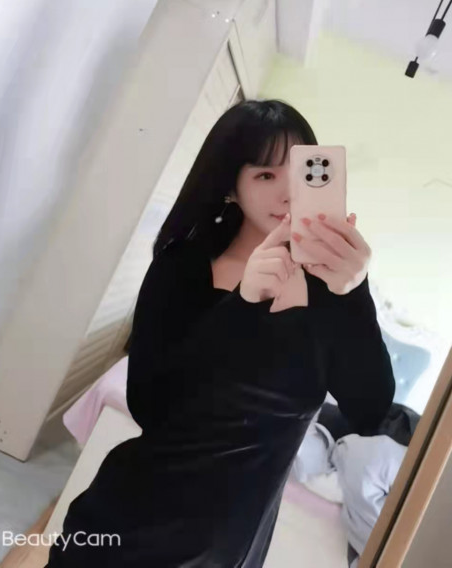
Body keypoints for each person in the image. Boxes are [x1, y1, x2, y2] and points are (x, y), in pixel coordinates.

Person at [45, 99, 395, 567]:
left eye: (298, 171)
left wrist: (354, 293)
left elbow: (370, 409)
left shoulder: (329, 292)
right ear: (231, 185)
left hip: (229, 545)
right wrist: (243, 304)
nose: (288, 193)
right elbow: (152, 406)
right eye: (265, 175)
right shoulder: (182, 267)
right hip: (131, 520)